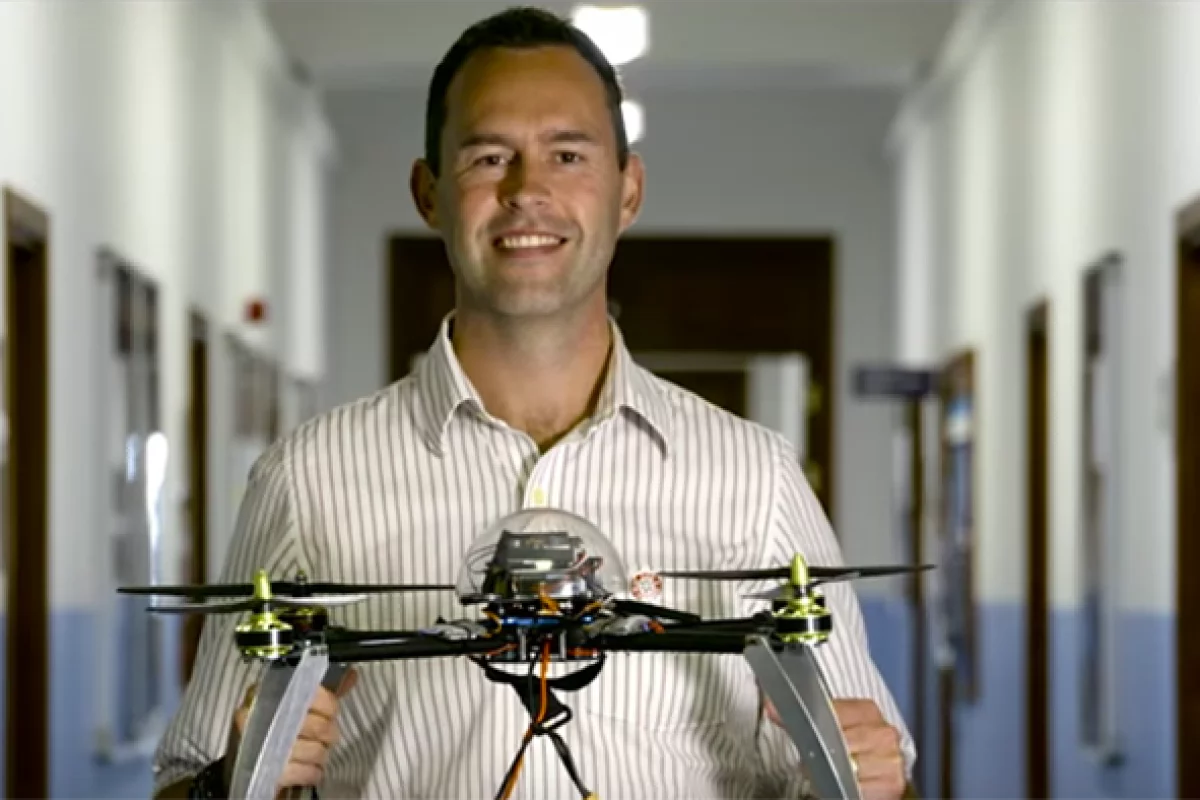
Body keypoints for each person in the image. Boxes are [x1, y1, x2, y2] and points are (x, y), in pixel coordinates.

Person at [152, 6, 916, 799]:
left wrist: (875, 782)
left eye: (567, 154)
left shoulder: (756, 479)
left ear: (628, 191)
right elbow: (182, 782)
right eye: (489, 157)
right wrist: (229, 782)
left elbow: (869, 777)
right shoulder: (305, 480)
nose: (528, 192)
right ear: (429, 193)